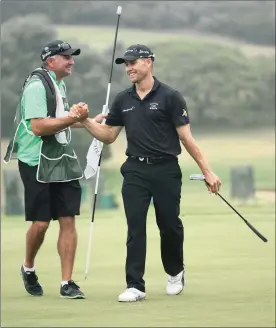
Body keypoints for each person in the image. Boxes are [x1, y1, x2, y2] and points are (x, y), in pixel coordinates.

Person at [76, 44, 222, 302]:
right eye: (125, 64)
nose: (129, 68)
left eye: (133, 62)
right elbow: (109, 136)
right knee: (135, 227)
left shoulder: (170, 97)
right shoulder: (122, 99)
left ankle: (175, 271)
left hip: (166, 169)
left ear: (149, 62)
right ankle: (135, 285)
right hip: (135, 170)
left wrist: (207, 172)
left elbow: (186, 139)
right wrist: (86, 121)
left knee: (169, 225)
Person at [3, 40, 90, 299]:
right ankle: (28, 267)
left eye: (71, 57)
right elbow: (40, 127)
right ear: (50, 61)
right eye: (66, 57)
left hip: (60, 158)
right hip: (36, 161)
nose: (71, 61)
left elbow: (59, 122)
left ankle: (67, 283)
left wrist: (86, 121)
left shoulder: (58, 84)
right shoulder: (36, 86)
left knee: (67, 218)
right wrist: (74, 118)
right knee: (41, 224)